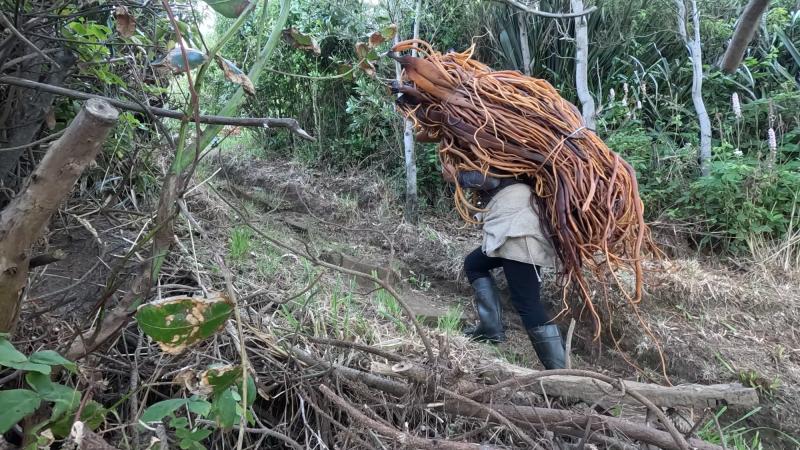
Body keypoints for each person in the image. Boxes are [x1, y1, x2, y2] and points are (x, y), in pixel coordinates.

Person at [442, 162, 566, 370]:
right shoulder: (508, 159)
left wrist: (458, 177)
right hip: (510, 229)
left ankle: (561, 372)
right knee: (474, 264)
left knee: (527, 304)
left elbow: (490, 179)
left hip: (519, 231)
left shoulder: (497, 158)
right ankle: (491, 329)